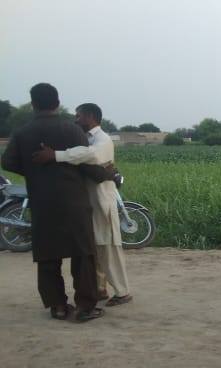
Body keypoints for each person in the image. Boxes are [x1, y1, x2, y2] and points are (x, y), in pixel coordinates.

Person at [1, 83, 108, 322]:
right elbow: (85, 162)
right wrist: (106, 174)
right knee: (83, 254)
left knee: (48, 255)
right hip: (74, 201)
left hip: (42, 202)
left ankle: (58, 306)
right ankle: (85, 307)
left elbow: (7, 162)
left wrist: (33, 171)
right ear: (57, 103)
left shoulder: (22, 132)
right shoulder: (72, 130)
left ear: (33, 104)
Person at [32, 103, 132, 307]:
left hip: (101, 201)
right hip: (88, 203)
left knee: (108, 249)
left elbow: (90, 155)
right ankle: (100, 288)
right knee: (94, 248)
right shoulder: (85, 138)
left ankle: (122, 292)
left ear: (91, 116)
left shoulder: (102, 140)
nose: (76, 120)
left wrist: (56, 155)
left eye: (79, 116)